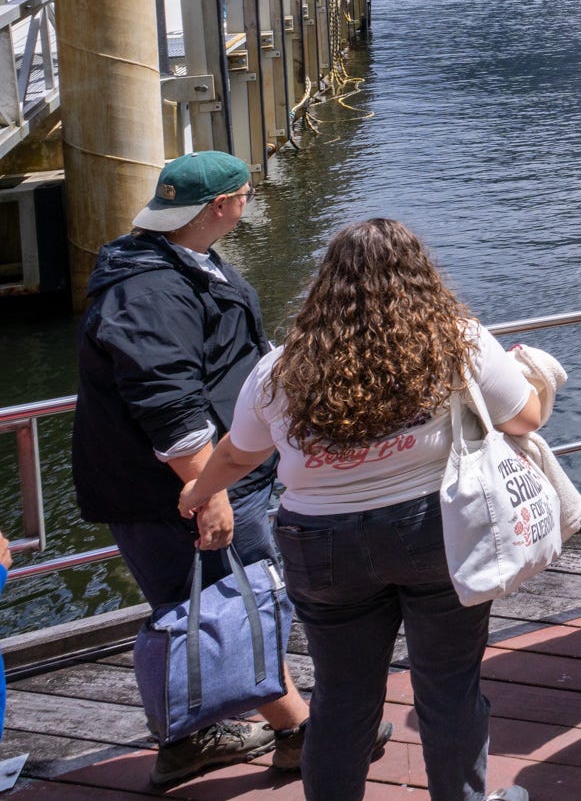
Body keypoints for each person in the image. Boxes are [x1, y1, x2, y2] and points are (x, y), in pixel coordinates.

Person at [176, 220, 549, 801]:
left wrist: (197, 493)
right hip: (436, 531)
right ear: (421, 276)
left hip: (320, 544)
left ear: (326, 283)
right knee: (449, 687)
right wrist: (539, 382)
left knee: (343, 697)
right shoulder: (456, 340)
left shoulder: (281, 367)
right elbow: (525, 418)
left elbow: (237, 454)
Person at [70, 151, 312, 788]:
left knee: (203, 607)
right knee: (237, 607)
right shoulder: (150, 287)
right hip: (179, 488)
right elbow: (165, 400)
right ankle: (301, 732)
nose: (247, 201)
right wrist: (208, 490)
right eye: (244, 194)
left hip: (205, 477)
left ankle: (188, 741)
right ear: (221, 208)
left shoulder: (173, 262)